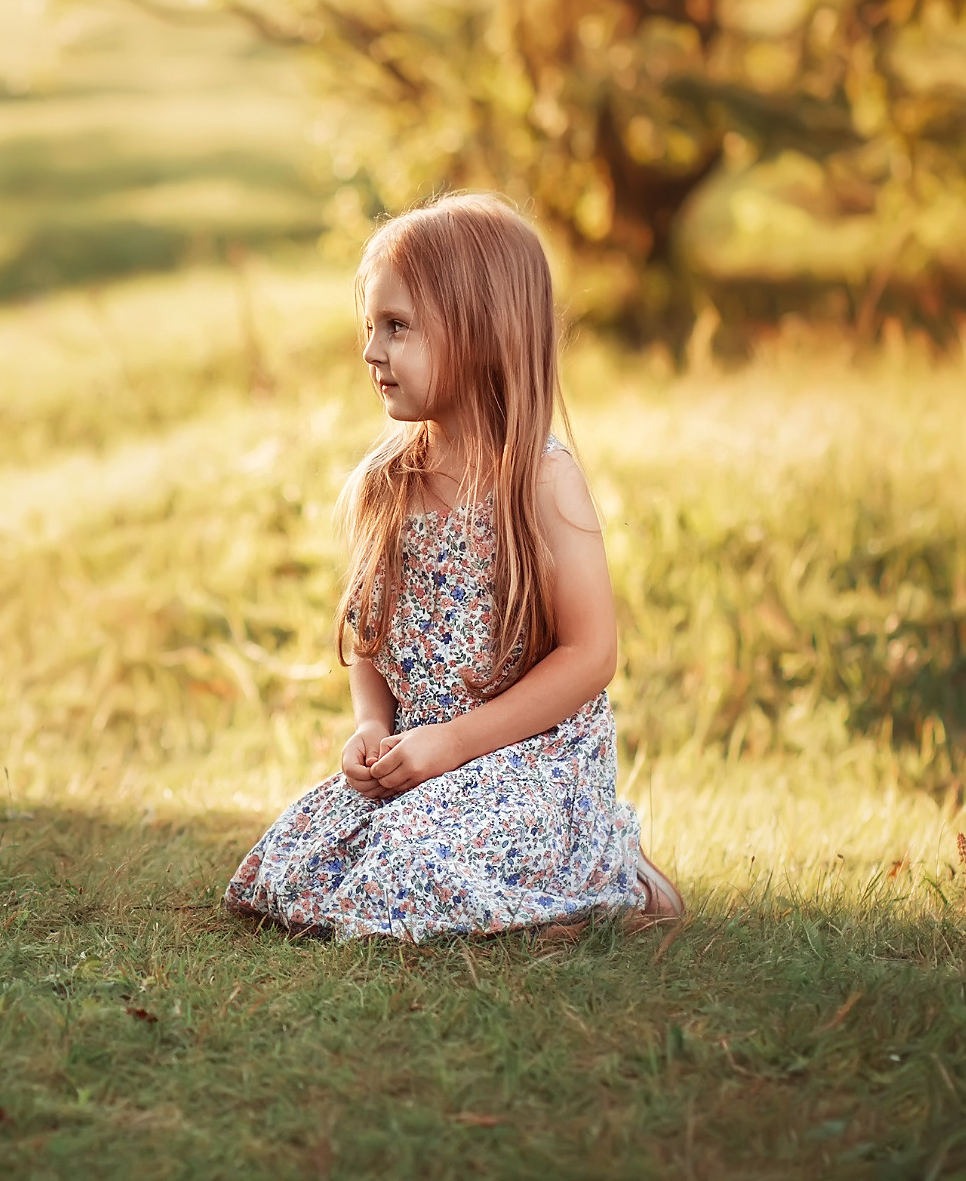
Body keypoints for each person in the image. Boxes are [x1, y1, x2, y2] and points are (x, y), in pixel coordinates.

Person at [225, 193, 682, 939]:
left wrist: (453, 746)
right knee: (290, 870)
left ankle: (608, 870)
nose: (372, 350)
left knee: (410, 873)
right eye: (370, 326)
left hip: (526, 762)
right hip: (420, 758)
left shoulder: (540, 479)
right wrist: (372, 727)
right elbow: (371, 637)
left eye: (397, 327)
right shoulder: (388, 482)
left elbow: (592, 654)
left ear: (480, 334)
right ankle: (536, 886)